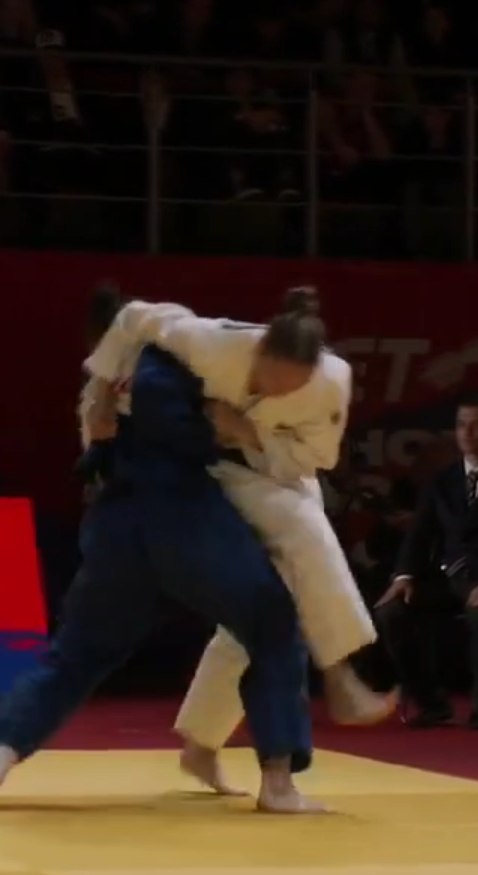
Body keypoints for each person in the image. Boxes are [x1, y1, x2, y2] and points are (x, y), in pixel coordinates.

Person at [0, 329, 321, 813]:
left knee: (74, 655)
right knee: (274, 625)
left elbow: (99, 441)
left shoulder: (114, 377)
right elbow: (182, 423)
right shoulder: (181, 360)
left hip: (117, 528)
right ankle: (278, 783)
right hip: (183, 521)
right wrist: (222, 429)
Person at [82, 287, 393, 796]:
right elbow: (135, 316)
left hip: (278, 469)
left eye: (291, 387)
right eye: (271, 379)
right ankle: (340, 674)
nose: (275, 391)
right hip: (214, 468)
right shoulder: (212, 342)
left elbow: (317, 459)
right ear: (260, 348)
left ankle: (201, 744)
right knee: (306, 535)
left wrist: (249, 432)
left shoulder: (332, 381)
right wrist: (99, 391)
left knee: (264, 608)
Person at [375, 393, 478, 729]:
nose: (467, 432)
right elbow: (419, 535)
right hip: (447, 579)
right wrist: (403, 576)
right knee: (391, 611)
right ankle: (433, 703)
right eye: (462, 425)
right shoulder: (442, 480)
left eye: (477, 425)